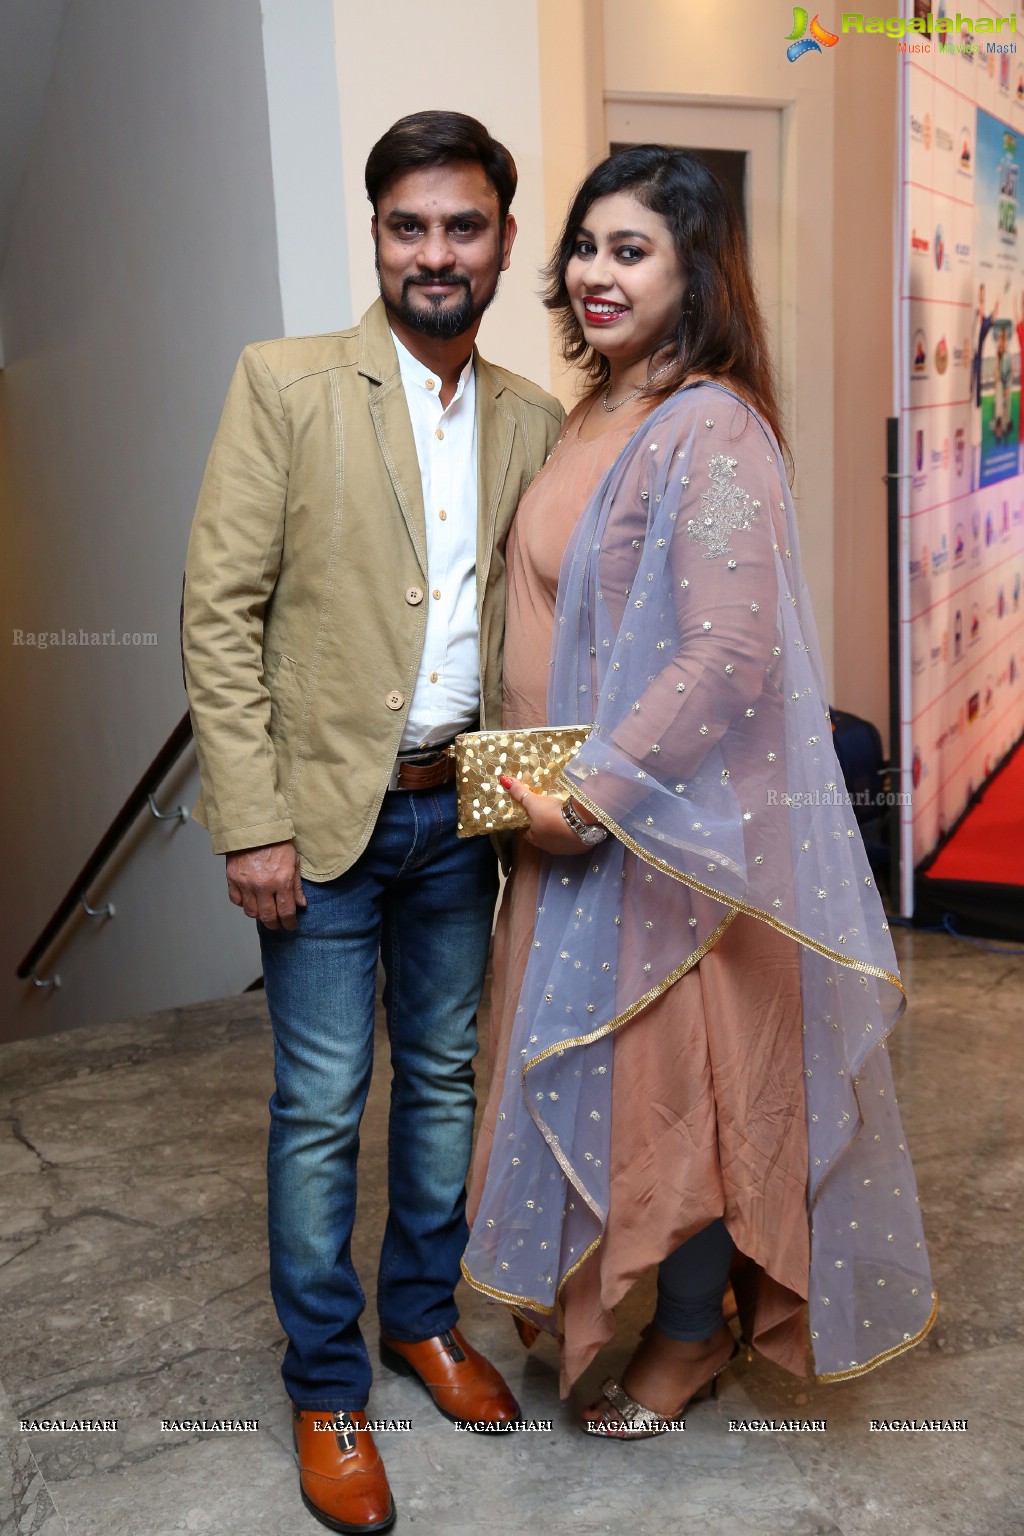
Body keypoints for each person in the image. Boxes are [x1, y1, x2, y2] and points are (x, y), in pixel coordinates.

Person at [462, 145, 936, 1438]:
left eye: (634, 250)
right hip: (558, 825)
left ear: (693, 271)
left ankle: (688, 1338)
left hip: (653, 837)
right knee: (614, 1091)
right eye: (586, 247)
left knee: (671, 1109)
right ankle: (636, 1311)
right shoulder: (595, 407)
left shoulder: (708, 423)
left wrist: (598, 786)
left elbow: (729, 650)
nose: (598, 274)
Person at [182, 111, 563, 1532]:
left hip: (458, 815)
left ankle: (424, 1318)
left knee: (452, 1084)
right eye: (410, 226)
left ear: (503, 240)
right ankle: (326, 1382)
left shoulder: (531, 416)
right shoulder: (284, 386)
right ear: (380, 238)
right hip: (323, 824)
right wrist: (250, 821)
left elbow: (532, 630)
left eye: (464, 225)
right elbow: (217, 612)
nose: (437, 252)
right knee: (322, 1107)